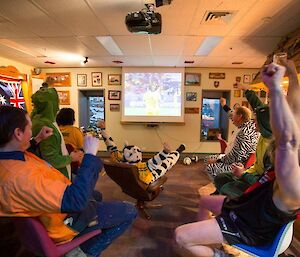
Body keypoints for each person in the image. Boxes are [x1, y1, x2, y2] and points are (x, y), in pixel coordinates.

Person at [175, 61, 300, 257]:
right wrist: (292, 74)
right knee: (206, 201)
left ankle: (221, 255)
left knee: (181, 236)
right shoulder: (287, 165)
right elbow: (295, 115)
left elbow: (287, 140)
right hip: (246, 207)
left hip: (248, 227)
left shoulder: (293, 185)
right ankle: (210, 233)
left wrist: (275, 89)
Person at [0, 105, 137, 257]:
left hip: (52, 209)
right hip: (64, 223)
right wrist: (90, 155)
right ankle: (84, 253)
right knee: (130, 210)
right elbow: (76, 201)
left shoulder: (9, 157)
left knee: (96, 195)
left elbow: (23, 155)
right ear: (18, 133)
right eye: (29, 128)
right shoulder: (22, 178)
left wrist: (37, 139)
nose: (31, 132)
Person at [213, 87, 273, 198]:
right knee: (221, 178)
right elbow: (259, 108)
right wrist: (246, 90)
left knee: (225, 185)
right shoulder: (262, 134)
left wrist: (243, 174)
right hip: (249, 172)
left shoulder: (272, 149)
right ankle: (222, 198)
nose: (254, 124)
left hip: (260, 187)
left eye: (256, 121)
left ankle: (232, 208)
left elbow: (266, 182)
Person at [97, 120, 185, 184]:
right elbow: (154, 162)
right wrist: (165, 152)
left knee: (164, 162)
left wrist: (103, 129)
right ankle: (178, 151)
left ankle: (177, 151)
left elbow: (111, 146)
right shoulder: (142, 167)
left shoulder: (118, 160)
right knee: (166, 164)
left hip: (126, 184)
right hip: (146, 181)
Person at [31, 87, 83, 179]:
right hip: (55, 177)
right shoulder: (46, 125)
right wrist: (71, 158)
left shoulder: (37, 120)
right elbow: (52, 159)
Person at [205, 105, 259, 179]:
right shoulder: (248, 125)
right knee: (207, 159)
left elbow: (234, 157)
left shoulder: (244, 132)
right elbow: (231, 114)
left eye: (233, 115)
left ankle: (221, 188)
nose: (231, 118)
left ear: (239, 116)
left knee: (211, 167)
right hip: (232, 158)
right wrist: (224, 105)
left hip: (239, 165)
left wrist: (218, 160)